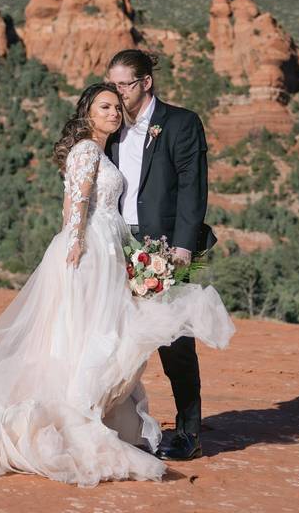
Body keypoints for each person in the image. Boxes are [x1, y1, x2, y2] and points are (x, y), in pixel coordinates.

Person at [0, 82, 234, 487]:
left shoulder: (103, 148)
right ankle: (77, 415)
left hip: (111, 249)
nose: (113, 112)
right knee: (91, 331)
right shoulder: (89, 150)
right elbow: (74, 204)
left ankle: (93, 411)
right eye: (104, 106)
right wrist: (74, 246)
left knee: (98, 329)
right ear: (87, 113)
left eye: (116, 106)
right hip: (92, 250)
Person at [106, 49, 217, 461]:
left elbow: (193, 187)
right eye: (113, 83)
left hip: (172, 245)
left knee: (176, 342)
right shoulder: (112, 125)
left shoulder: (182, 123)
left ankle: (189, 433)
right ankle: (121, 426)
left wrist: (185, 245)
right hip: (119, 244)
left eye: (124, 84)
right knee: (119, 338)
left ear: (146, 83)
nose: (117, 91)